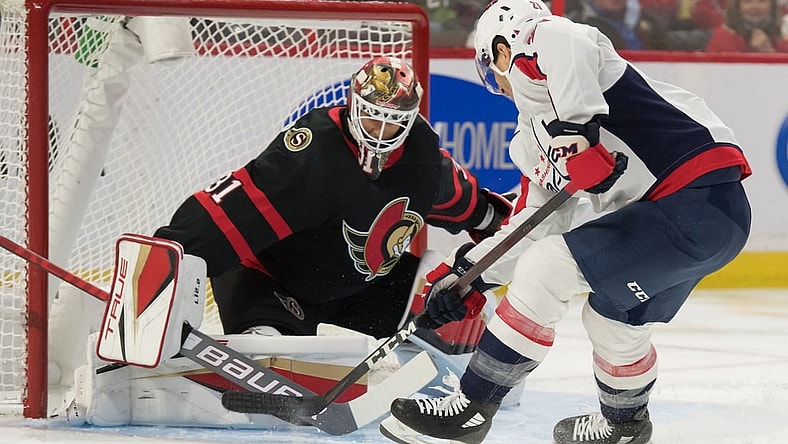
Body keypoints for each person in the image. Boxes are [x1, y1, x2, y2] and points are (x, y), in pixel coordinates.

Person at [380, 0, 752, 443]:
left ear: (502, 49)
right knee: (614, 320)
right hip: (693, 223)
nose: (500, 87)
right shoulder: (533, 136)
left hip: (697, 200)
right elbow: (533, 225)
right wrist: (467, 277)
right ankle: (625, 425)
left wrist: (577, 132)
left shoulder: (557, 48)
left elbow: (563, 38)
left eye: (493, 71)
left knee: (548, 267)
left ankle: (470, 409)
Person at [153, 56, 512, 341]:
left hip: (358, 288)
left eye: (393, 122)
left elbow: (471, 206)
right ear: (353, 105)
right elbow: (231, 210)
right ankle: (265, 339)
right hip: (274, 280)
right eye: (372, 118)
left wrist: (502, 226)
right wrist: (168, 257)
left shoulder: (423, 159)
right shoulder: (315, 150)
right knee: (271, 358)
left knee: (463, 318)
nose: (380, 133)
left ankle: (477, 386)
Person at [706, 0, 788, 52]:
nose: (755, 6)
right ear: (737, 7)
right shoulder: (722, 38)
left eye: (761, 1)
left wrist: (769, 53)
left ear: (772, 6)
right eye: (747, 1)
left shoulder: (782, 39)